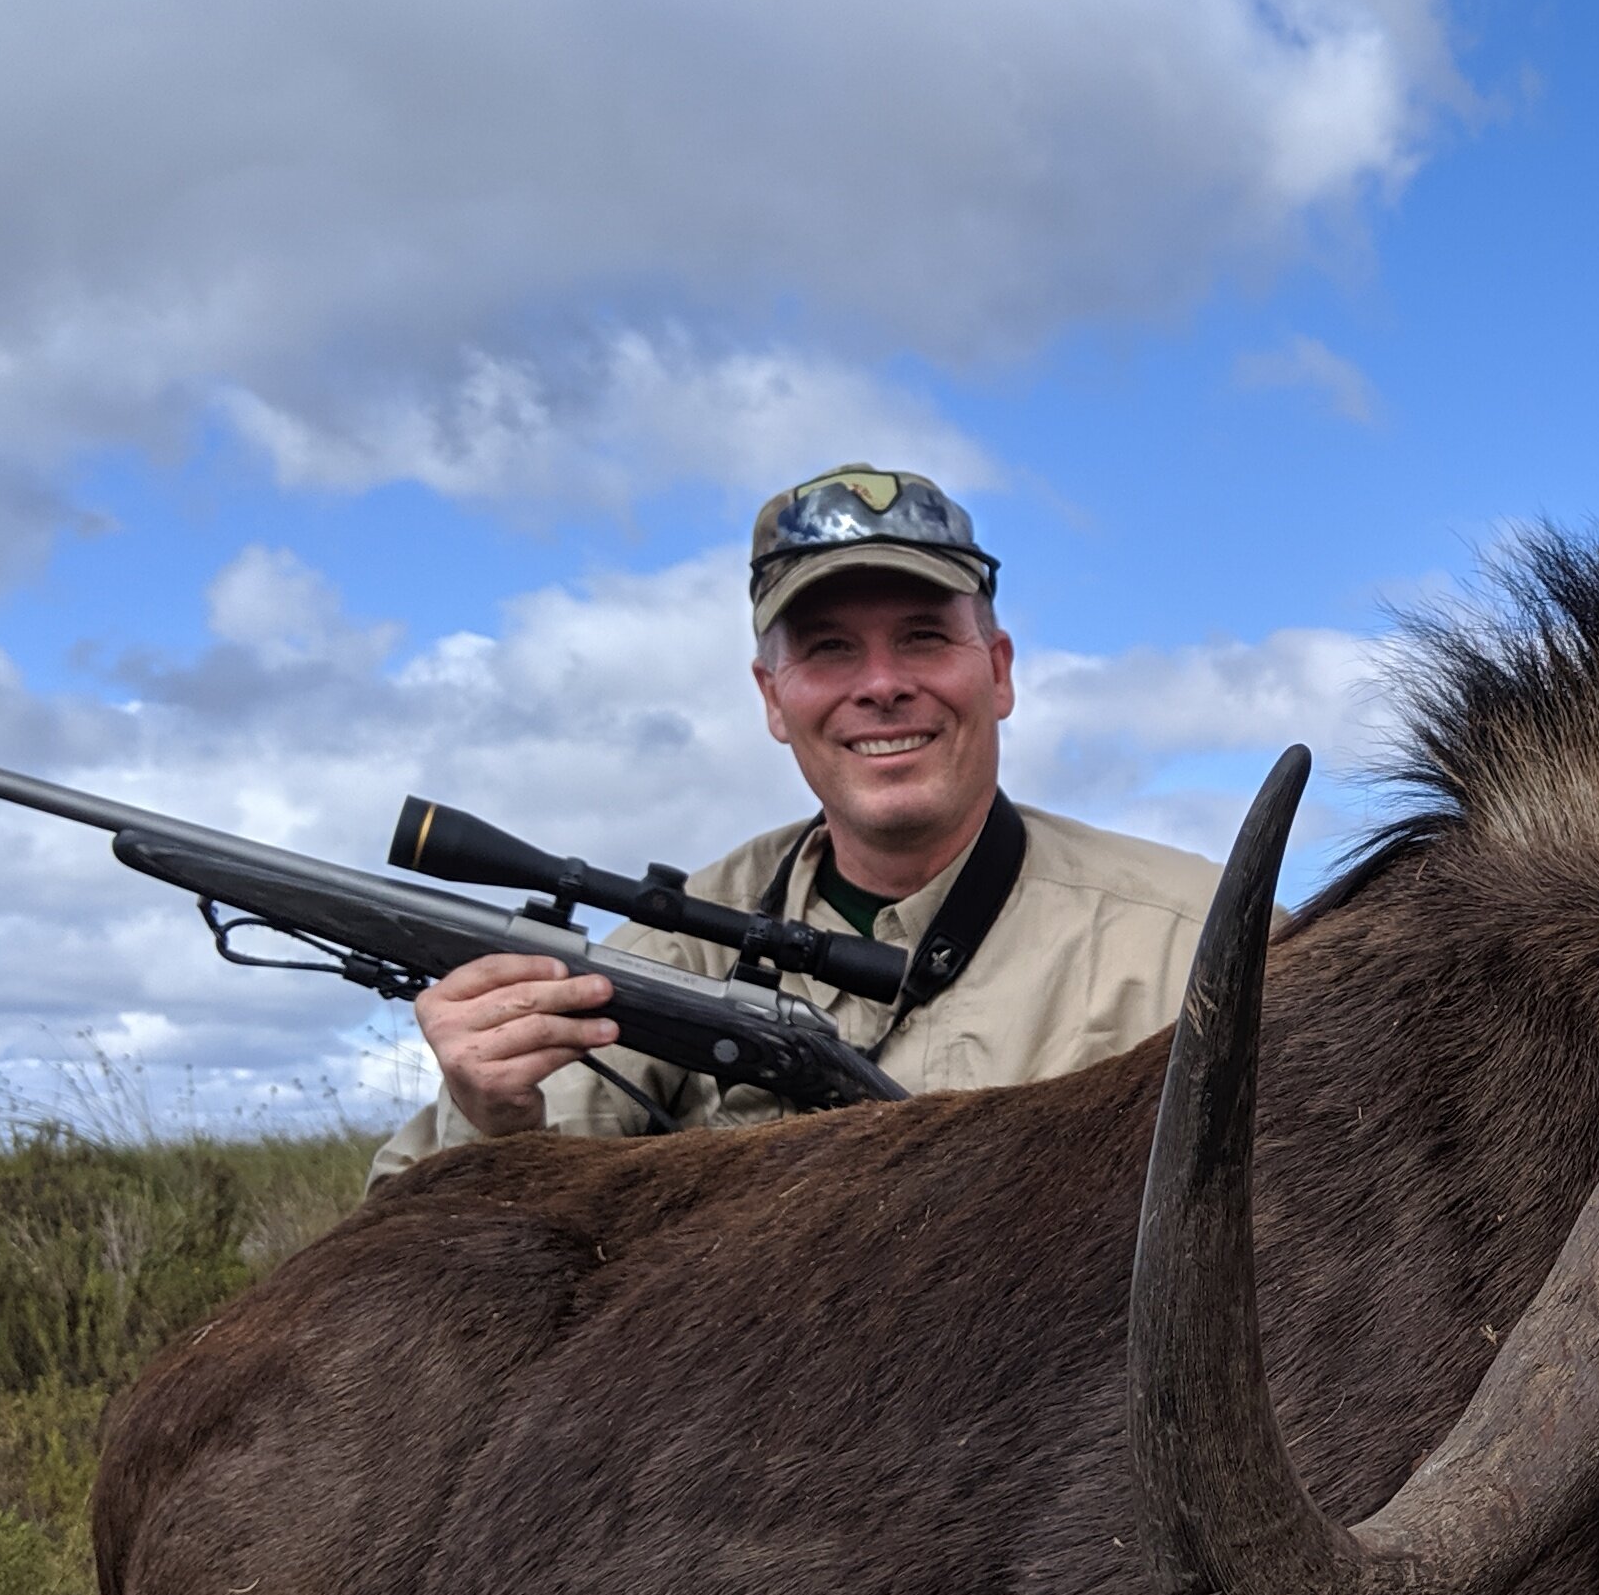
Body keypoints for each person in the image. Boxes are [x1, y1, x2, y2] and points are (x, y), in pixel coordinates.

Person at [370, 465, 1223, 1185]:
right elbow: (394, 1229)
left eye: (924, 637)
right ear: (773, 699)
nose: (882, 684)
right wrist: (491, 1126)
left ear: (997, 673)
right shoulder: (674, 954)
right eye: (828, 649)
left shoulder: (1195, 942)